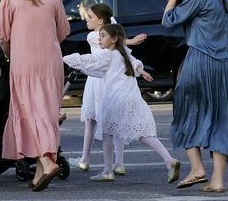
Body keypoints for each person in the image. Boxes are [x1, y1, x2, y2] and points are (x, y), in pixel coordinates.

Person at [162, 0, 228, 193]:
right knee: (221, 120)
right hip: (226, 67)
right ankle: (217, 180)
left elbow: (168, 19)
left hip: (200, 62)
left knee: (186, 113)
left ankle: (197, 169)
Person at [63, 23, 181, 184]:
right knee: (144, 134)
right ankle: (169, 160)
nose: (100, 38)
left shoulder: (107, 54)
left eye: (103, 35)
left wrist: (62, 57)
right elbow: (135, 63)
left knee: (107, 133)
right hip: (132, 98)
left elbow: (87, 60)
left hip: (114, 100)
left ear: (114, 39)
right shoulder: (122, 53)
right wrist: (143, 71)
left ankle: (107, 171)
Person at [0, 0, 70, 192]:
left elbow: (3, 37)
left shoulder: (10, 0)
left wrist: (8, 54)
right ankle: (40, 174)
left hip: (23, 64)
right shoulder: (54, 0)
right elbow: (62, 33)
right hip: (50, 63)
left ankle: (48, 161)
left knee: (28, 113)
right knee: (46, 114)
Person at [71, 1, 147, 175]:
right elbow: (121, 44)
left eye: (90, 17)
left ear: (100, 21)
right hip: (106, 79)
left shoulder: (98, 36)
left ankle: (88, 160)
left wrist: (132, 46)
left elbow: (119, 44)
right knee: (111, 120)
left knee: (95, 121)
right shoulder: (95, 36)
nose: (86, 20)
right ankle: (115, 163)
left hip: (99, 80)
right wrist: (131, 42)